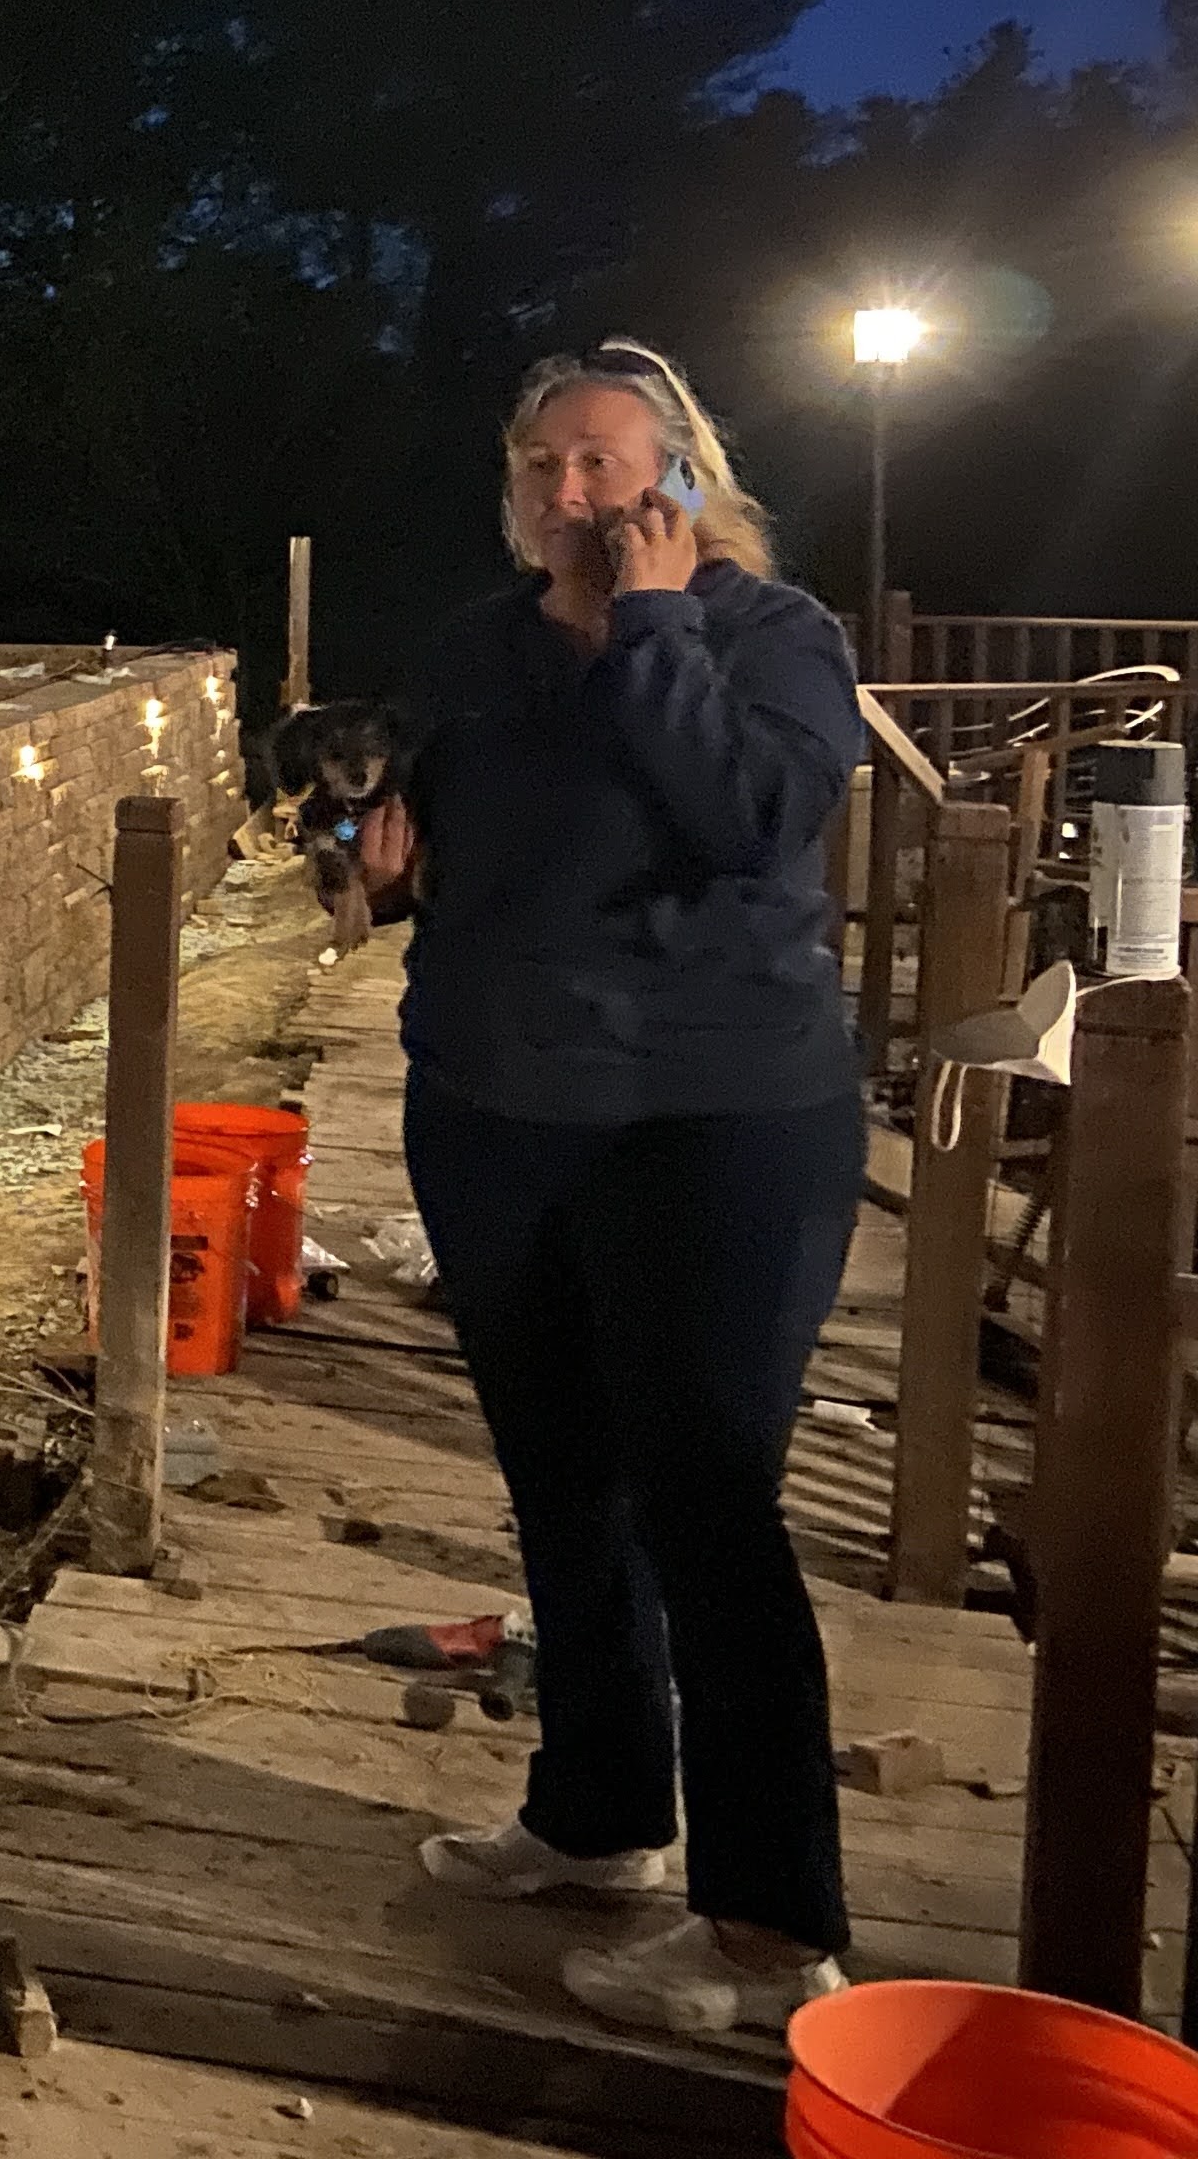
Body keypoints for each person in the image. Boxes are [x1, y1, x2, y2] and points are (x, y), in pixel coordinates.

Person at [354, 338, 868, 2038]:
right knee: (561, 1482)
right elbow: (440, 840)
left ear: (680, 480)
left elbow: (749, 818)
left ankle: (772, 1931)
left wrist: (654, 625)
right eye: (542, 467)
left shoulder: (771, 639)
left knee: (706, 1505)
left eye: (603, 462)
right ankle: (595, 1816)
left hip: (714, 1123)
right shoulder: (476, 651)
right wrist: (374, 860)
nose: (572, 494)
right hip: (498, 1115)